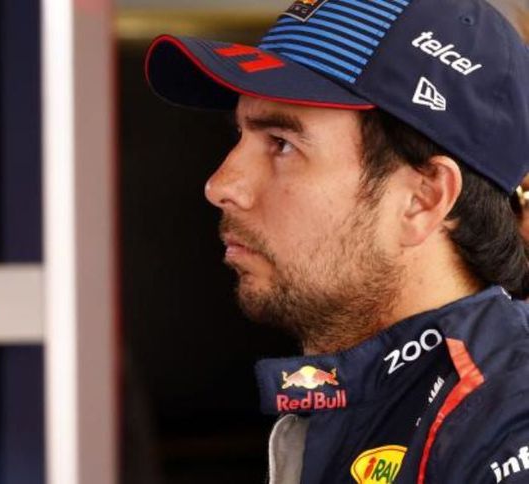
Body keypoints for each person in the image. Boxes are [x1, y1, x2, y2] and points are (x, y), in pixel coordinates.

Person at [143, 0, 529, 482]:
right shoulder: (368, 394)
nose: (221, 185)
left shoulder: (509, 426)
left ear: (423, 199)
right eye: (240, 134)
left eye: (282, 144)